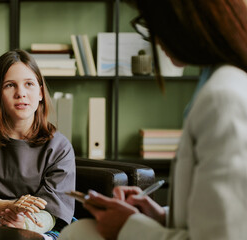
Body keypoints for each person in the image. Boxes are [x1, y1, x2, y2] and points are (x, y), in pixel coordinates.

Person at [59, 0, 247, 239]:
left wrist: (129, 226)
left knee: (80, 233)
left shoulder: (223, 98)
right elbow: (220, 216)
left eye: (152, 25)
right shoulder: (218, 83)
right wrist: (160, 217)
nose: (154, 40)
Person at [0, 49, 75, 236]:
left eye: (29, 84)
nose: (21, 93)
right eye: (10, 85)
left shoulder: (60, 147)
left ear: (41, 93)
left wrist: (24, 223)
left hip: (37, 225)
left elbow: (52, 212)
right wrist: (10, 207)